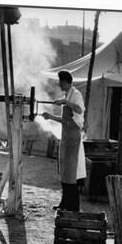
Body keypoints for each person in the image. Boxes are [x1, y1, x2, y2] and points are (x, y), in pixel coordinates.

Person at [42, 70, 86, 211]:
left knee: (71, 173)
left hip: (73, 137)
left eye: (60, 82)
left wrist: (65, 102)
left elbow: (80, 110)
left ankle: (73, 207)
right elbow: (65, 120)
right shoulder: (67, 95)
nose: (59, 84)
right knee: (64, 172)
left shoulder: (76, 95)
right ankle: (64, 203)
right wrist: (50, 116)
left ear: (66, 82)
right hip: (66, 137)